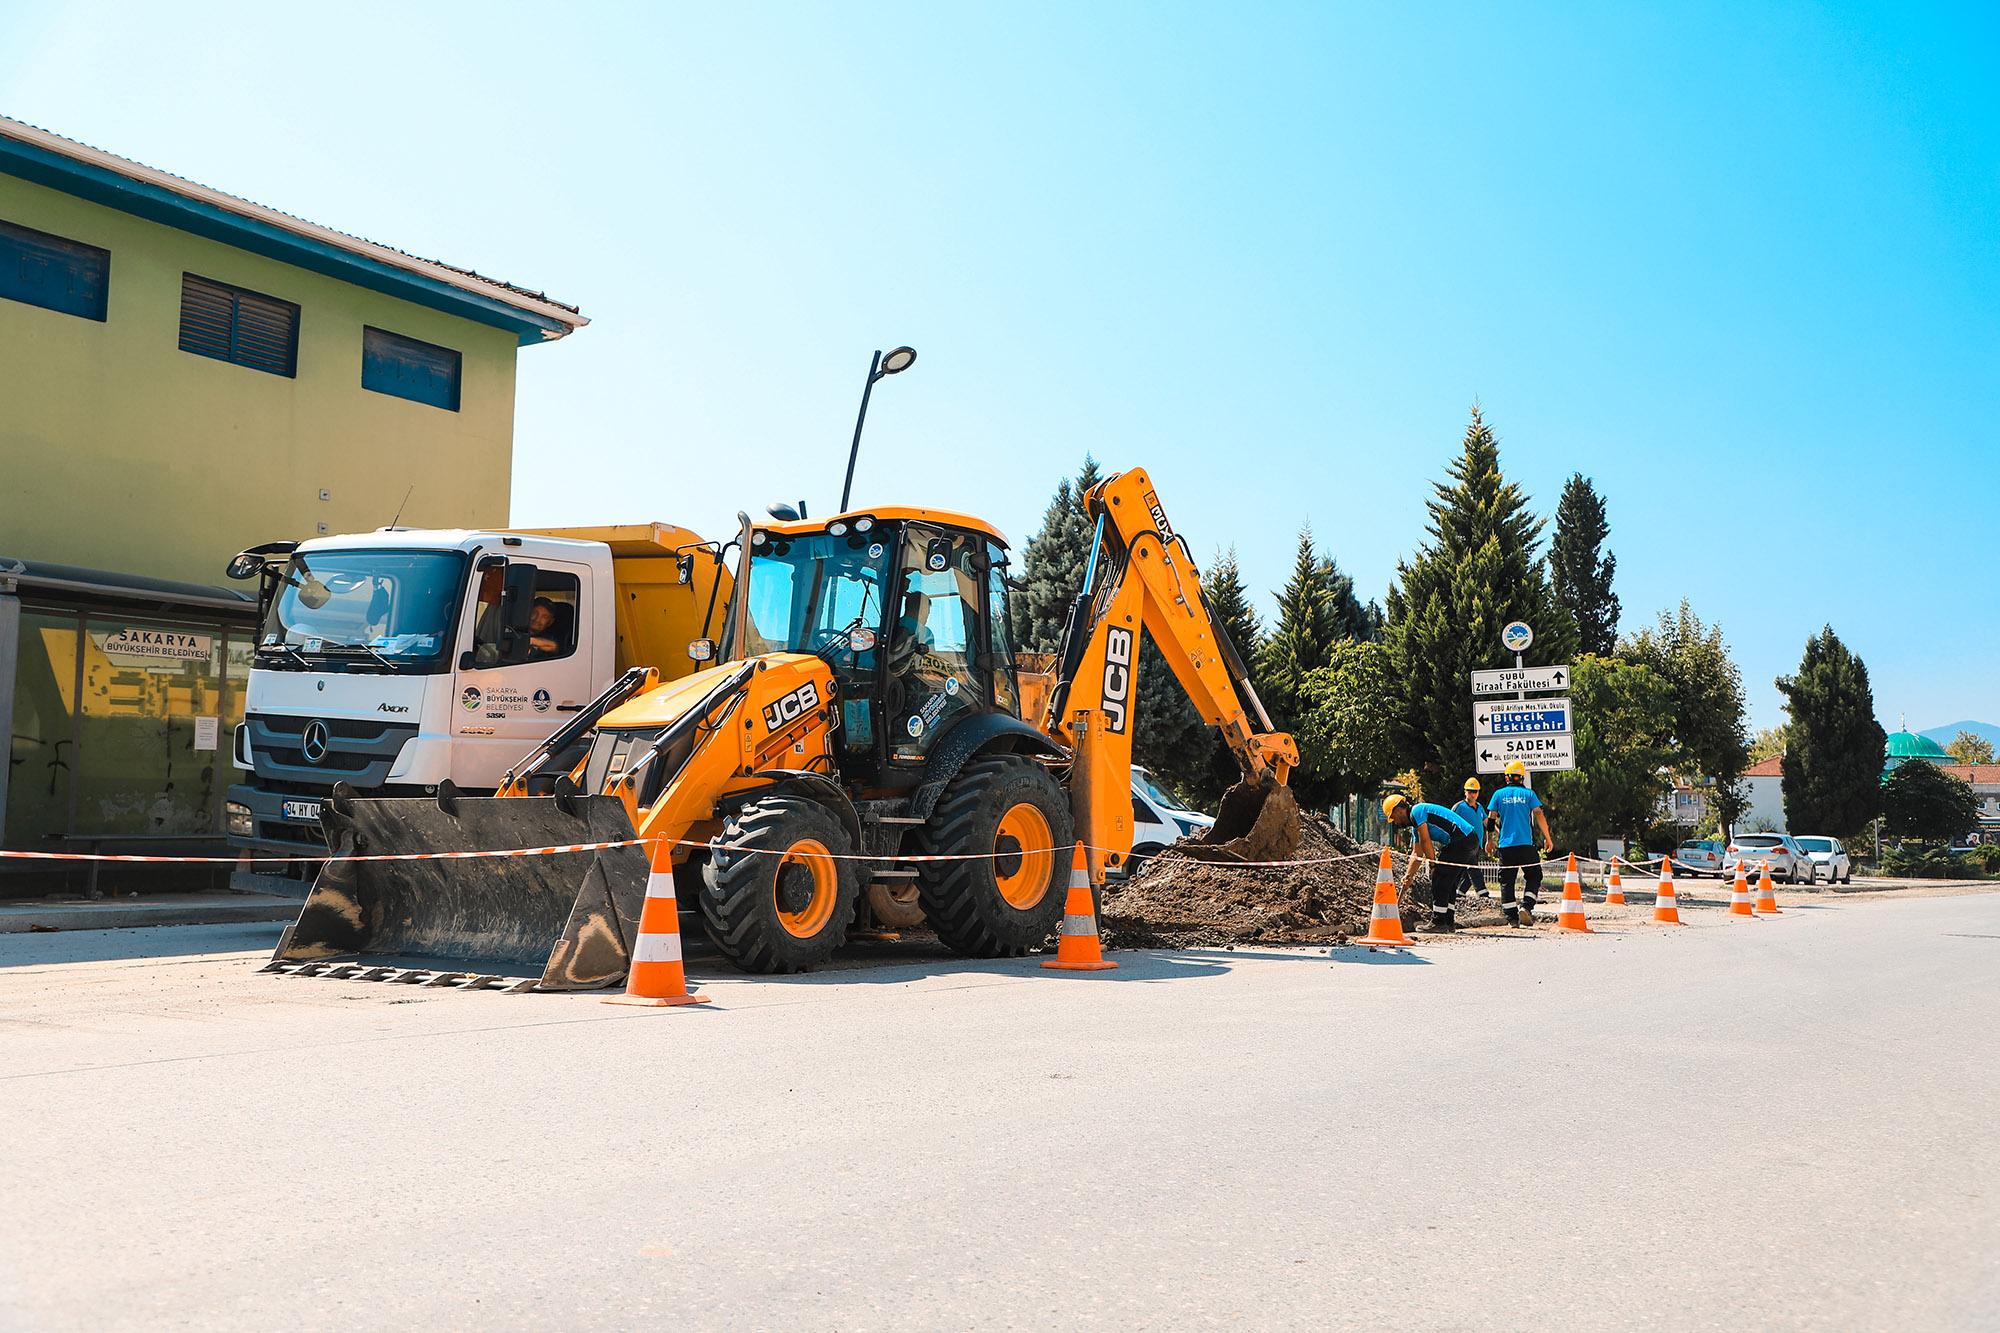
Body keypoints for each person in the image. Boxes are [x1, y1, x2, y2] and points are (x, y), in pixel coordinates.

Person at [1382, 792, 1480, 933]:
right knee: (1449, 882)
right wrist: (1408, 875)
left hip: (1461, 840)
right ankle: (1448, 921)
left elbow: (1426, 841)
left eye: (1394, 818)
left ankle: (1438, 922)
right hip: (1469, 840)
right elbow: (1417, 854)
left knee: (1439, 878)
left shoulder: (1417, 811)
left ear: (1398, 811)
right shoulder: (1416, 826)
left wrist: (1434, 865)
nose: (1396, 823)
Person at [1487, 759, 1555, 926]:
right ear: (1522, 779)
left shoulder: (1498, 794)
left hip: (1506, 846)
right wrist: (1548, 837)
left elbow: (1490, 820)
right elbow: (1539, 814)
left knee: (1506, 882)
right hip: (1526, 845)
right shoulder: (1529, 794)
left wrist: (1489, 840)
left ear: (1506, 778)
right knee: (1534, 875)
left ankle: (1512, 919)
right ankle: (1526, 906)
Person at [1452, 777, 1490, 900]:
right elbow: (1450, 822)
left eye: (1474, 792)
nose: (1472, 794)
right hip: (1464, 845)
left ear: (1478, 793)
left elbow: (1487, 822)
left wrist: (1499, 832)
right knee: (1473, 869)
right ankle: (1483, 893)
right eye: (1469, 791)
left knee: (1467, 871)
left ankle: (1459, 893)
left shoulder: (1479, 808)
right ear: (1465, 792)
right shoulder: (1459, 807)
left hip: (1477, 845)